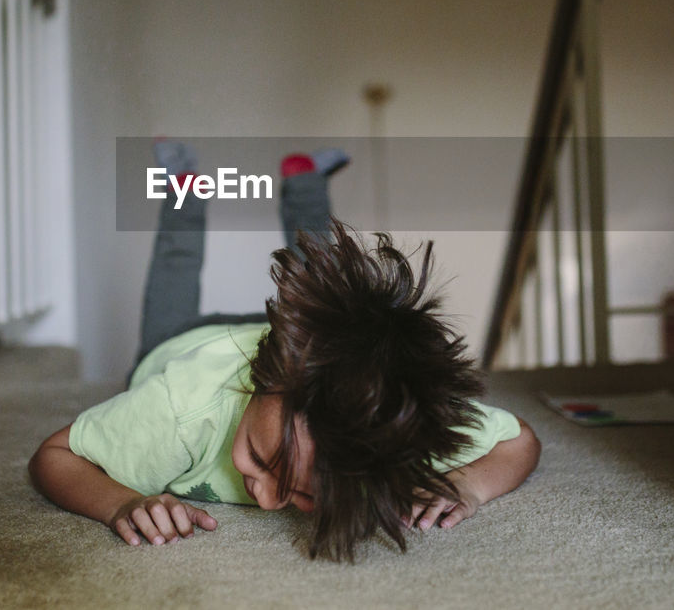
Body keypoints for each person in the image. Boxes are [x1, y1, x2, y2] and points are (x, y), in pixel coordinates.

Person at [29, 143, 541, 562]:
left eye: (304, 495)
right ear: (262, 379)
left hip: (274, 345)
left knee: (325, 286)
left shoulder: (395, 425)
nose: (270, 501)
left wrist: (467, 485)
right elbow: (55, 456)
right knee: (179, 269)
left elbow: (518, 440)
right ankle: (185, 185)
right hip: (176, 346)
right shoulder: (181, 409)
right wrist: (120, 502)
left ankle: (305, 180)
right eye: (258, 457)